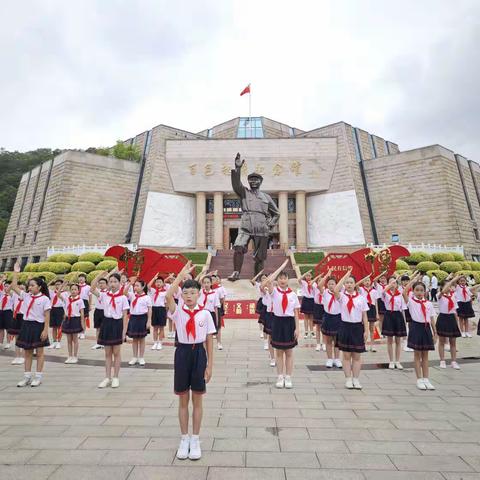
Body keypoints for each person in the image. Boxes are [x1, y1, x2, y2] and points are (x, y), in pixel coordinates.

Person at [165, 260, 215, 461]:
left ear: (199, 294)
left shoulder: (205, 314)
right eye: (185, 293)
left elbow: (209, 340)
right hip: (183, 353)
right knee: (183, 398)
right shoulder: (177, 312)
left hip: (199, 354)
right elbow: (168, 295)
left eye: (193, 293)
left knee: (198, 398)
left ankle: (195, 438)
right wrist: (181, 274)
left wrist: (210, 365)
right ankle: (184, 438)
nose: (189, 296)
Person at [228, 152, 280, 280]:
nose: (253, 181)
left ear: (261, 181)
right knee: (239, 246)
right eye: (251, 179)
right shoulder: (244, 192)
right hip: (246, 224)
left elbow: (276, 213)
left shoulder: (266, 197)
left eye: (256, 179)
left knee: (260, 256)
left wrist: (270, 223)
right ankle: (236, 272)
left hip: (262, 228)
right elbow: (236, 184)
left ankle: (258, 277)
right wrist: (238, 168)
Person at [11, 263, 51, 387]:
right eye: (29, 285)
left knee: (39, 353)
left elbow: (46, 316)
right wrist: (16, 272)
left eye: (33, 285)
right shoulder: (26, 296)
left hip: (38, 326)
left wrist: (45, 330)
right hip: (26, 325)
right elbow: (13, 286)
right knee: (27, 352)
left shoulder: (45, 299)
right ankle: (27, 376)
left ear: (39, 287)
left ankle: (38, 377)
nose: (30, 287)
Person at [261, 259, 299, 389]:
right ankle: (280, 376)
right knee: (278, 352)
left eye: (285, 278)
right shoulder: (274, 292)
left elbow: (295, 312)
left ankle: (288, 377)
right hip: (277, 321)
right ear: (278, 280)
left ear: (288, 280)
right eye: (280, 278)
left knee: (289, 352)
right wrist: (281, 266)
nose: (283, 280)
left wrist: (297, 328)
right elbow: (266, 282)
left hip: (289, 323)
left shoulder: (293, 294)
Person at [91, 270, 129, 389]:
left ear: (119, 283)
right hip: (106, 323)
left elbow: (125, 316)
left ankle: (116, 377)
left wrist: (124, 332)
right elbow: (92, 288)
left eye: (115, 281)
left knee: (116, 352)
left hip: (117, 324)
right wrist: (100, 276)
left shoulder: (123, 297)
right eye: (111, 281)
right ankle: (107, 377)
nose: (113, 284)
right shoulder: (104, 295)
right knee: (107, 353)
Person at [334, 267, 369, 389]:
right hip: (345, 326)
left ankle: (356, 379)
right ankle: (348, 378)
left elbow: (364, 316)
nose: (349, 284)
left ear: (355, 284)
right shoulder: (342, 297)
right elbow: (335, 289)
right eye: (347, 282)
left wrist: (366, 330)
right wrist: (346, 275)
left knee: (357, 356)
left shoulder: (361, 298)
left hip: (357, 328)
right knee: (346, 355)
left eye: (351, 282)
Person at [402, 273, 437, 390]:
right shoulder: (411, 302)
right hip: (416, 328)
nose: (419, 292)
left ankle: (426, 378)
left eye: (421, 290)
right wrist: (413, 280)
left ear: (425, 292)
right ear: (413, 291)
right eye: (417, 290)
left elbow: (432, 318)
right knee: (417, 354)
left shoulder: (429, 304)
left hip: (426, 328)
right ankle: (419, 379)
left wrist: (435, 333)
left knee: (426, 355)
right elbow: (404, 292)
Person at [125, 278, 152, 366]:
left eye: (137, 285)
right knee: (134, 339)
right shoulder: (132, 295)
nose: (135, 287)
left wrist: (149, 321)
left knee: (142, 339)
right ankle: (134, 357)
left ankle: (141, 357)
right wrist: (130, 283)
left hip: (142, 318)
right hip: (133, 318)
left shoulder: (147, 297)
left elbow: (149, 310)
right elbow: (124, 292)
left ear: (143, 286)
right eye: (134, 285)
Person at [382, 276, 407, 369]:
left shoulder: (400, 294)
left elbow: (403, 309)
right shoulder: (386, 294)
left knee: (398, 340)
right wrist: (390, 285)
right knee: (389, 340)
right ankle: (391, 360)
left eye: (395, 283)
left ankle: (397, 360)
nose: (393, 284)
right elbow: (383, 291)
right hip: (389, 315)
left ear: (397, 284)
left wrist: (404, 323)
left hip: (398, 316)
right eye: (391, 282)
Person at [437, 275, 461, 369]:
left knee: (453, 341)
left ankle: (453, 361)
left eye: (450, 286)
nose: (449, 287)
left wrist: (457, 323)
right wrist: (453, 280)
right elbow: (442, 292)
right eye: (447, 285)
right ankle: (442, 360)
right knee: (442, 341)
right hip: (443, 317)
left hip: (451, 318)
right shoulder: (439, 295)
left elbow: (455, 311)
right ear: (443, 287)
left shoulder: (453, 296)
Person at [320, 272, 342, 369]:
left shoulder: (340, 294)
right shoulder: (325, 292)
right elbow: (320, 285)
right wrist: (327, 274)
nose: (331, 285)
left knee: (337, 340)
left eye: (333, 283)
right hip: (328, 317)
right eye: (329, 284)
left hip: (338, 317)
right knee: (328, 340)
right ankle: (329, 359)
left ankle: (337, 359)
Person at [60, 284, 85, 364]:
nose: (73, 291)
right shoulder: (67, 299)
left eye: (75, 289)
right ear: (70, 291)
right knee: (69, 340)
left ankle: (75, 356)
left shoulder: (80, 300)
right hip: (68, 319)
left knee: (75, 339)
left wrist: (82, 324)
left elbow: (82, 313)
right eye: (72, 289)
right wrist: (62, 285)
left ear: (78, 291)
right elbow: (58, 294)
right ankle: (70, 356)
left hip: (75, 320)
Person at [198, 276, 222, 350]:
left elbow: (215, 307)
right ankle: (203, 347)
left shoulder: (214, 293)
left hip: (211, 314)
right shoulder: (200, 292)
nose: (206, 284)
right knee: (202, 331)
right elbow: (197, 283)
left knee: (210, 333)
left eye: (208, 282)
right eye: (204, 282)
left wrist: (217, 320)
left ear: (211, 283)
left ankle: (213, 345)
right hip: (201, 313)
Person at [358, 274, 380, 352]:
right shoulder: (361, 289)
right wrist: (363, 277)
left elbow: (376, 302)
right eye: (365, 281)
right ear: (363, 282)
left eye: (368, 280)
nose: (367, 282)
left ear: (370, 282)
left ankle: (372, 345)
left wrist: (377, 313)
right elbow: (356, 284)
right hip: (364, 309)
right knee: (364, 328)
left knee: (372, 328)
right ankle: (363, 345)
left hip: (372, 308)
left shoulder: (374, 291)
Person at [148, 274, 170, 350]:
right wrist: (153, 278)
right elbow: (148, 286)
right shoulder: (153, 291)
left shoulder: (165, 292)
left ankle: (160, 342)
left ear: (163, 283)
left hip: (161, 310)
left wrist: (166, 313)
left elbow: (166, 303)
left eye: (160, 282)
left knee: (161, 327)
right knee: (154, 328)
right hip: (154, 309)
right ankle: (155, 342)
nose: (158, 283)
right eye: (157, 282)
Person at [8, 283, 25, 364]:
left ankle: (23, 356)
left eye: (23, 288)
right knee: (16, 338)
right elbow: (8, 290)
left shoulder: (28, 296)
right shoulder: (14, 295)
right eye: (20, 288)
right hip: (16, 316)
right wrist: (13, 282)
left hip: (24, 317)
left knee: (24, 338)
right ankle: (17, 356)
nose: (21, 290)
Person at [298, 270, 316, 339]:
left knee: (311, 317)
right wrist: (305, 273)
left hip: (312, 300)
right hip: (306, 299)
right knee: (305, 317)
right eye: (306, 275)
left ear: (311, 276)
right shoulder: (303, 282)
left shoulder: (314, 283)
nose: (308, 277)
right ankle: (306, 332)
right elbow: (299, 279)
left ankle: (311, 331)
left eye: (309, 275)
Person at [91, 277, 108, 350]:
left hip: (105, 311)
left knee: (105, 328)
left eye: (103, 283)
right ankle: (98, 343)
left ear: (107, 284)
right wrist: (99, 277)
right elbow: (92, 288)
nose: (101, 284)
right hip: (98, 311)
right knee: (98, 328)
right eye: (100, 283)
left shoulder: (109, 292)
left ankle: (105, 342)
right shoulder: (98, 292)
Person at [0, 281, 14, 349]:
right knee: (1, 328)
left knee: (8, 328)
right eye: (5, 286)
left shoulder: (12, 295)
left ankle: (8, 343)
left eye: (7, 286)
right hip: (1, 311)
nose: (6, 288)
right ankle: (1, 342)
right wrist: (2, 280)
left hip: (8, 312)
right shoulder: (1, 294)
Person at [77, 274, 91, 340]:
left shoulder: (88, 287)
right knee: (77, 318)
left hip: (84, 302)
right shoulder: (76, 286)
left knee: (84, 318)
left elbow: (90, 296)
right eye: (79, 278)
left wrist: (90, 305)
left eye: (82, 278)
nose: (81, 279)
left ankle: (83, 332)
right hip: (77, 302)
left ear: (85, 279)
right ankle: (79, 331)